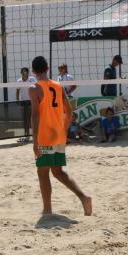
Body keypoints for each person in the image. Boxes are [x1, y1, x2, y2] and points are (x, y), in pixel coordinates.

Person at [29, 56, 92, 216]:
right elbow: (69, 111)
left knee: (42, 172)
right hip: (58, 135)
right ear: (48, 68)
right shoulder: (58, 86)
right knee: (57, 172)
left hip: (45, 135)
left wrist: (35, 141)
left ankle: (47, 210)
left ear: (33, 71)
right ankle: (84, 197)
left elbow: (35, 116)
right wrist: (63, 129)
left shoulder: (34, 88)